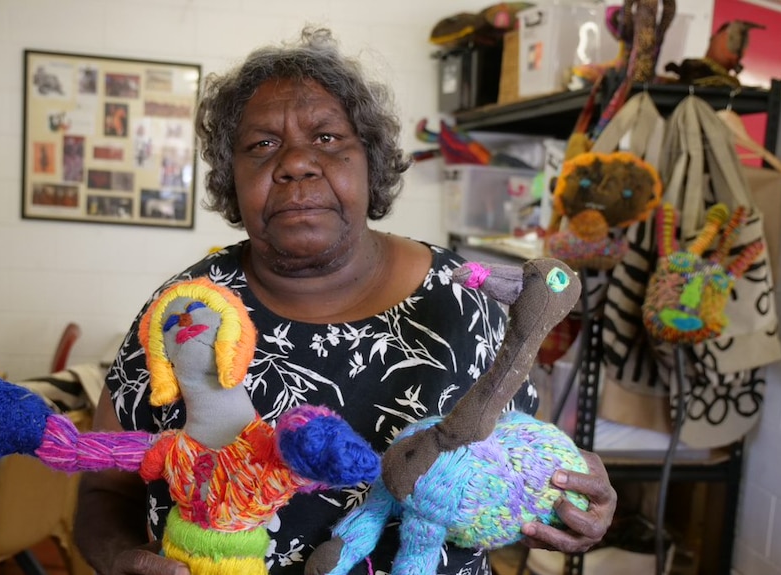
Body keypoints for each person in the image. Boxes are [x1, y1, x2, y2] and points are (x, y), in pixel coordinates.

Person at [74, 26, 616, 575]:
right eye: (262, 145)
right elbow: (101, 497)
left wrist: (572, 500)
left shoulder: (465, 301)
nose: (295, 164)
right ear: (230, 180)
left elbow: (521, 474)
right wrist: (120, 557)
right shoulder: (186, 315)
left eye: (328, 138)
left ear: (371, 163)